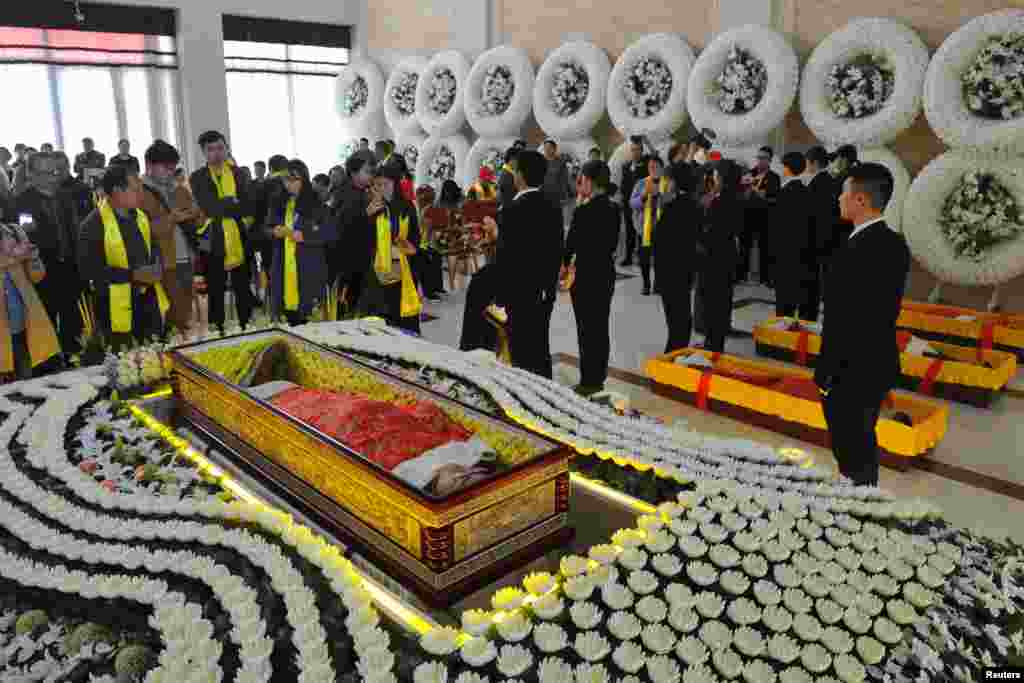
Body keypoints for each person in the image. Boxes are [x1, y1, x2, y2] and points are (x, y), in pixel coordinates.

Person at [814, 163, 910, 486]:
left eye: (844, 193)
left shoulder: (855, 251)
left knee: (851, 446)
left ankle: (858, 504)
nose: (839, 200)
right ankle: (862, 494)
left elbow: (846, 320)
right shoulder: (894, 244)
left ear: (861, 201)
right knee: (862, 443)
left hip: (849, 369)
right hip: (876, 361)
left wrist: (827, 374)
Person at [484, 150, 563, 378]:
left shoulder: (511, 210)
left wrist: (499, 296)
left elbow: (507, 255)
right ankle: (547, 393)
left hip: (518, 292)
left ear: (520, 175)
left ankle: (527, 398)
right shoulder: (552, 206)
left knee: (520, 349)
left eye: (515, 170)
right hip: (544, 290)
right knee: (540, 344)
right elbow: (555, 248)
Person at [78, 165, 168, 349]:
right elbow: (89, 271)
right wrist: (132, 275)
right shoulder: (93, 225)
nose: (141, 194)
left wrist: (157, 266)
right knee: (125, 363)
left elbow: (154, 248)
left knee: (154, 356)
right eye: (136, 189)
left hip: (148, 300)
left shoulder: (141, 216)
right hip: (114, 305)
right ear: (118, 191)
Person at [13, 151, 84, 358]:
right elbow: (25, 236)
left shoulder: (65, 196)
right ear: (31, 174)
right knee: (46, 323)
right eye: (45, 172)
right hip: (41, 272)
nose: (52, 177)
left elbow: (74, 230)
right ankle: (49, 365)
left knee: (73, 320)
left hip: (70, 269)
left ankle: (74, 357)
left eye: (55, 171)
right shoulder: (21, 202)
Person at [562, 160, 620, 396]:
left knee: (586, 328)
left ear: (590, 181)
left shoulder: (583, 212)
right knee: (600, 325)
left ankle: (588, 380)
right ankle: (599, 376)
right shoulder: (614, 209)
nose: (579, 184)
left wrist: (565, 266)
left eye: (581, 179)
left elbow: (570, 247)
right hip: (605, 272)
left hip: (586, 275)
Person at [189, 130, 256, 332]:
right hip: (212, 241)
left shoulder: (239, 174)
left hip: (240, 238)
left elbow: (247, 206)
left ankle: (247, 327)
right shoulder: (197, 177)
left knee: (243, 288)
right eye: (210, 149)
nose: (216, 153)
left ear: (226, 148)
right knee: (215, 290)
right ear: (203, 153)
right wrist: (230, 203)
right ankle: (217, 331)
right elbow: (207, 207)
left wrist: (223, 206)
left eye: (220, 148)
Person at [140, 140, 201, 334]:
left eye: (173, 168)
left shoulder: (179, 188)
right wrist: (170, 219)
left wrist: (193, 213)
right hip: (161, 262)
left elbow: (199, 217)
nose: (170, 172)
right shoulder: (138, 193)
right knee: (169, 313)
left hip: (185, 257)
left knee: (184, 311)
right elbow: (141, 232)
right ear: (149, 165)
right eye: (166, 167)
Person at [266, 159, 335, 323]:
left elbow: (330, 233)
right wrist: (274, 232)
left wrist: (305, 236)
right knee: (288, 317)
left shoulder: (317, 204)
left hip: (308, 266)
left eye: (293, 179)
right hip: (283, 265)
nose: (288, 184)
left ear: (303, 179)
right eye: (285, 179)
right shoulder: (278, 202)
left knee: (309, 318)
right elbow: (266, 229)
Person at [357, 162, 422, 332]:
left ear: (395, 184)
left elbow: (415, 237)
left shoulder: (407, 207)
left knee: (403, 320)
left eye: (386, 184)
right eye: (377, 184)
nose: (382, 188)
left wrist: (410, 247)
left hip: (403, 269)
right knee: (380, 321)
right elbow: (361, 241)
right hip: (377, 272)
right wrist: (367, 217)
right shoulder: (370, 207)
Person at [0, 220, 59, 379]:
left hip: (26, 321)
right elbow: (14, 258)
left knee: (27, 382)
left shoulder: (15, 231)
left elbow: (36, 277)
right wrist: (14, 257)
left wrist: (33, 258)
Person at [697, 159, 743, 353]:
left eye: (715, 175)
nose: (712, 178)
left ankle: (713, 345)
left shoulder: (721, 201)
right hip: (725, 255)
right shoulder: (733, 197)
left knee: (713, 302)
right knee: (720, 301)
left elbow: (711, 231)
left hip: (714, 257)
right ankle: (714, 342)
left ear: (722, 178)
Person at [654, 162, 700, 353]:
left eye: (669, 179)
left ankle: (675, 351)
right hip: (685, 267)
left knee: (675, 314)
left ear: (675, 181)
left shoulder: (674, 206)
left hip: (671, 269)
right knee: (680, 311)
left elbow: (661, 238)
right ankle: (678, 347)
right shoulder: (692, 204)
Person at [774, 152, 818, 321]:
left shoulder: (784, 193)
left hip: (785, 254)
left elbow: (777, 228)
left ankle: (782, 335)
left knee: (784, 302)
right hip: (803, 253)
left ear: (787, 168)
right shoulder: (806, 192)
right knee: (797, 295)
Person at [333, 150, 377, 314]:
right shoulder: (344, 193)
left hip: (362, 256)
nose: (370, 176)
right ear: (353, 172)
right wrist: (366, 214)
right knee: (348, 303)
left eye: (372, 172)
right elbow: (341, 225)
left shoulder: (363, 191)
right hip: (348, 259)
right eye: (367, 171)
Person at [739, 146, 781, 285]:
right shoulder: (749, 174)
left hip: (765, 217)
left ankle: (766, 278)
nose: (760, 161)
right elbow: (742, 195)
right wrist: (747, 189)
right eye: (758, 158)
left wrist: (758, 192)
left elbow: (773, 198)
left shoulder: (774, 177)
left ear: (769, 160)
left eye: (763, 158)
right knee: (744, 246)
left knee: (766, 247)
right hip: (747, 215)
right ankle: (741, 276)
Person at [630, 154, 668, 296]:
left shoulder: (668, 183)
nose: (652, 170)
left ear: (661, 168)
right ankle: (646, 284)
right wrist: (644, 195)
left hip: (663, 228)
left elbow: (673, 204)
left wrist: (661, 196)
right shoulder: (641, 183)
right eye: (650, 167)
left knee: (661, 258)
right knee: (644, 259)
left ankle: (658, 283)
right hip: (644, 229)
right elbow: (632, 204)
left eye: (655, 167)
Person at [804, 145, 833, 317]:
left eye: (807, 162)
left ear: (814, 163)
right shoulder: (829, 181)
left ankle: (810, 315)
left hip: (815, 239)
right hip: (824, 239)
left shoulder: (817, 183)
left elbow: (810, 214)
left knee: (812, 282)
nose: (806, 166)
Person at [619, 136, 647, 266]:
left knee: (641, 232)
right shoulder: (625, 166)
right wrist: (622, 199)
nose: (635, 152)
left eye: (637, 150)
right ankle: (628, 257)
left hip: (642, 203)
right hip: (628, 204)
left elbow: (655, 156)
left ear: (641, 151)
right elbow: (624, 185)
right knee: (629, 231)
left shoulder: (647, 164)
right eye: (633, 150)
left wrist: (646, 141)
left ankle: (642, 258)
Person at [541, 139, 572, 223]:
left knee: (555, 220)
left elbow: (564, 180)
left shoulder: (561, 162)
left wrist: (564, 196)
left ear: (554, 149)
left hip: (556, 197)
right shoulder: (540, 161)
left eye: (549, 147)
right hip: (542, 195)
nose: (547, 149)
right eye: (545, 147)